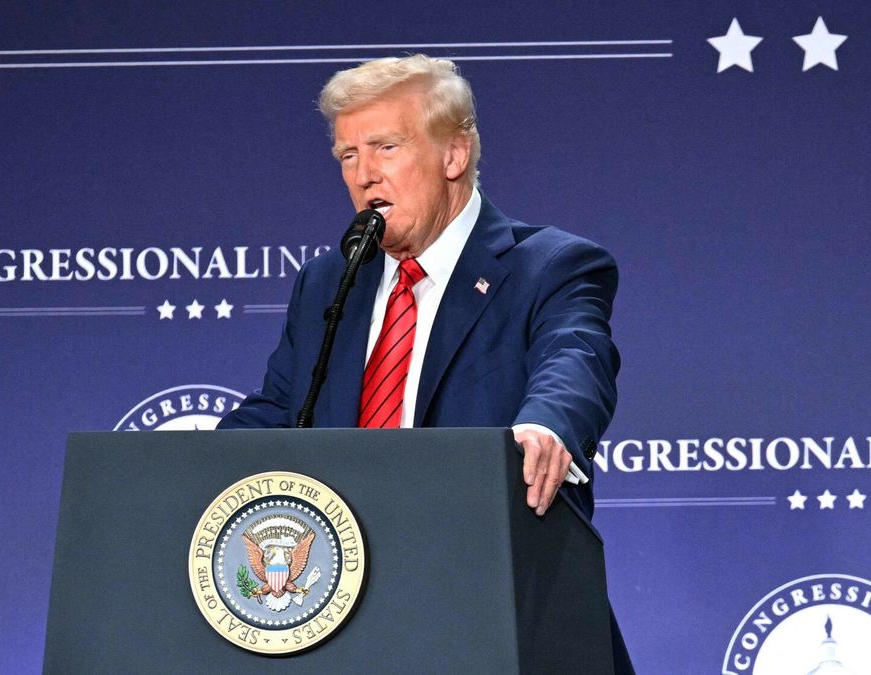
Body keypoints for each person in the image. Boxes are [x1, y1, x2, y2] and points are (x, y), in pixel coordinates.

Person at [217, 55, 631, 671]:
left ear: (453, 155)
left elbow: (575, 355)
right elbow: (280, 411)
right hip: (346, 620)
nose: (363, 175)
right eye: (348, 156)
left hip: (500, 611)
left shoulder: (548, 265)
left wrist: (548, 425)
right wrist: (182, 476)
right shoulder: (329, 281)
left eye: (385, 147)